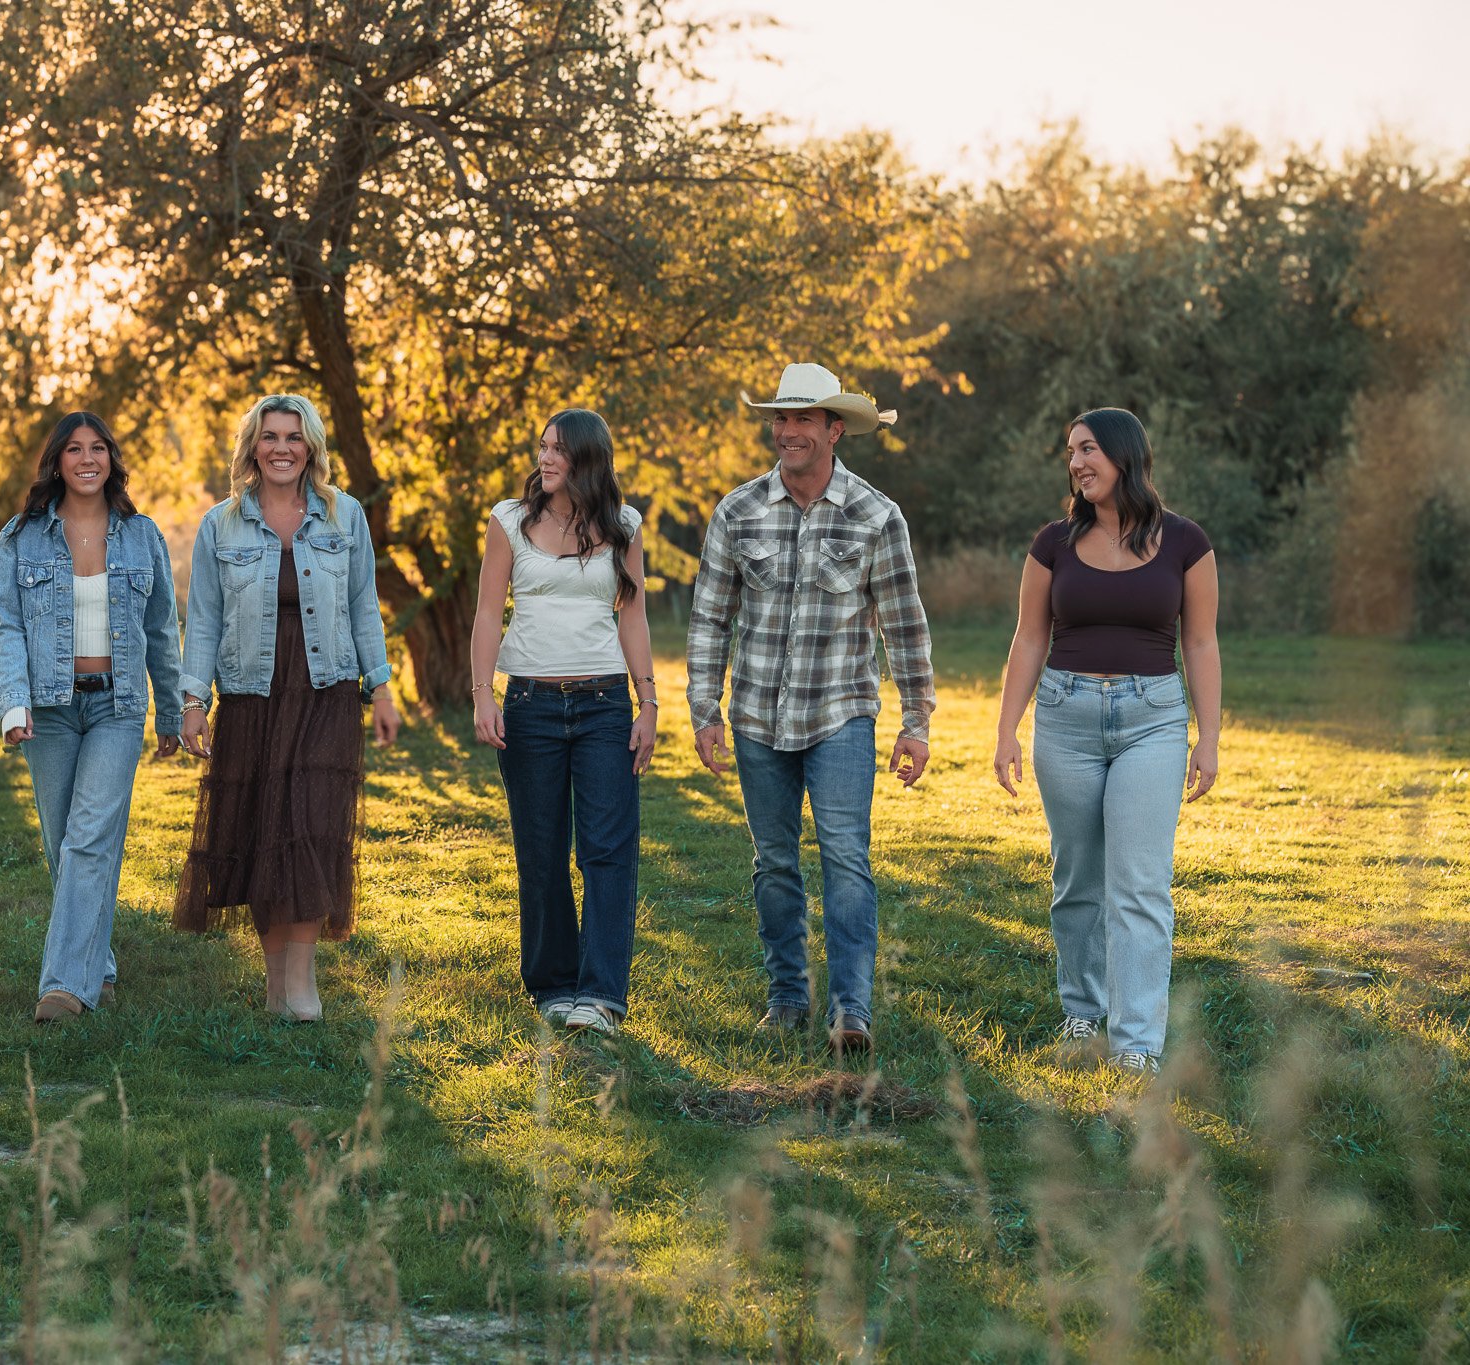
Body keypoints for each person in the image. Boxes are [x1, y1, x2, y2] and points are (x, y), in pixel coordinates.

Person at [686, 362, 934, 1055]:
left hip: (840, 714)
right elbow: (710, 617)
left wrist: (916, 721)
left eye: (802, 418)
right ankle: (787, 998)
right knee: (773, 863)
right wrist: (705, 708)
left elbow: (904, 625)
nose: (787, 430)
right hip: (756, 717)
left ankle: (852, 1009)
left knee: (846, 858)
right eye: (780, 418)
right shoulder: (737, 511)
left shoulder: (877, 516)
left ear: (834, 429)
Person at [992, 408, 1220, 1075]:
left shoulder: (1186, 542)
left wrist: (1209, 737)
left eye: (1088, 449)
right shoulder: (1054, 543)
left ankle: (1136, 1044)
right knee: (1077, 879)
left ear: (1124, 455)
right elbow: (1029, 637)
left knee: (1139, 884)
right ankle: (1082, 1011)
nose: (1076, 463)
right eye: (1071, 451)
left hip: (1153, 720)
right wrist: (1007, 729)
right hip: (1065, 718)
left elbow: (1200, 641)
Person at [173, 394, 401, 1020]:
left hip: (326, 691)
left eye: (293, 437)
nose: (281, 448)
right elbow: (205, 619)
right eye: (270, 436)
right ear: (253, 447)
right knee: (260, 833)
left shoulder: (344, 515)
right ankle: (277, 990)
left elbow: (363, 606)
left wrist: (381, 688)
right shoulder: (220, 525)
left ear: (311, 448)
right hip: (251, 694)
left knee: (310, 830)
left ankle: (302, 987)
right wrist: (193, 701)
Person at [0, 412, 183, 1024]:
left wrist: (171, 712)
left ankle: (64, 989)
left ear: (111, 460)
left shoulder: (141, 535)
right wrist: (13, 703)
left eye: (98, 448)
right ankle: (98, 966)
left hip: (116, 708)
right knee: (64, 845)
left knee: (90, 836)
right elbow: (6, 627)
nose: (87, 459)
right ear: (57, 461)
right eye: (74, 449)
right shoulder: (20, 537)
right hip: (47, 709)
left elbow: (161, 630)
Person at [469, 410, 656, 1037]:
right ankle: (553, 985)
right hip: (530, 705)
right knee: (541, 849)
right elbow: (488, 612)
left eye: (558, 450)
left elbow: (632, 616)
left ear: (588, 459)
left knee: (607, 850)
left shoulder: (624, 525)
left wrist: (648, 704)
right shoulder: (509, 521)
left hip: (605, 705)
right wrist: (483, 695)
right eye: (543, 447)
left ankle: (601, 994)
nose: (545, 458)